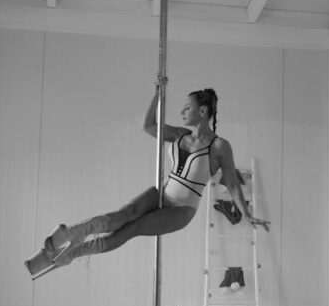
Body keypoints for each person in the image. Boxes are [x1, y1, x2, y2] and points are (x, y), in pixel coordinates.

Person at [25, 85, 269, 279]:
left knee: (132, 228)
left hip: (181, 210)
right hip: (161, 194)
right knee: (124, 214)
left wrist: (246, 214)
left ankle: (74, 253)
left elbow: (233, 184)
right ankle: (67, 237)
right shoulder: (179, 134)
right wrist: (158, 94)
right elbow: (148, 126)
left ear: (202, 112)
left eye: (187, 107)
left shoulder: (219, 146)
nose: (183, 112)